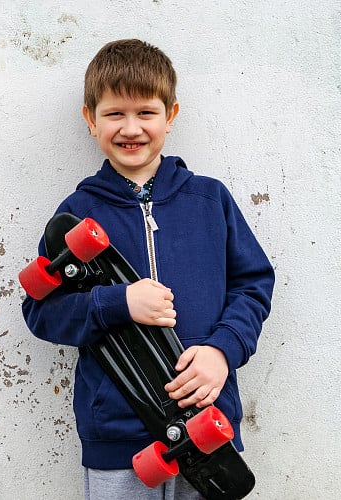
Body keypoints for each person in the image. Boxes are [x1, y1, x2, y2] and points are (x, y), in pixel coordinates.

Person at [21, 39, 275, 499]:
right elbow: (41, 311)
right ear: (90, 119)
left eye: (146, 112)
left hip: (208, 427)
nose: (131, 128)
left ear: (171, 115)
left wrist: (223, 350)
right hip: (118, 437)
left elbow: (253, 284)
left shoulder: (209, 200)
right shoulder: (77, 214)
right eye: (115, 113)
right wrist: (117, 302)